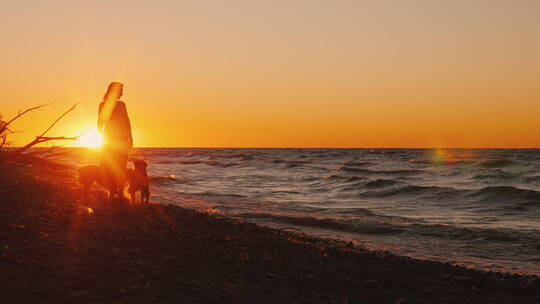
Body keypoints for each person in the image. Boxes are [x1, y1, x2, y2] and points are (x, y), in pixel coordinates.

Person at [97, 82, 133, 198]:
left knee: (119, 167)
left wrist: (130, 137)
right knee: (111, 167)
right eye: (121, 90)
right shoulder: (104, 105)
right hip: (113, 141)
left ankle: (118, 192)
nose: (122, 93)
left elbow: (127, 121)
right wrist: (103, 136)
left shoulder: (121, 104)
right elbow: (100, 123)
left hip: (119, 140)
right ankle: (114, 192)